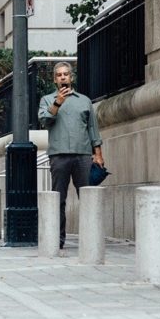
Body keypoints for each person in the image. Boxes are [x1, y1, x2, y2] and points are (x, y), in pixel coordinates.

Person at [38, 62, 104, 249]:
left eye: (66, 74)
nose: (63, 77)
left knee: (87, 197)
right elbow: (44, 120)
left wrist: (98, 154)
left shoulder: (84, 100)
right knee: (58, 198)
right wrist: (57, 102)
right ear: (54, 79)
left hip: (83, 155)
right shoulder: (47, 100)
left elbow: (93, 128)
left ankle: (91, 237)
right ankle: (58, 239)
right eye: (59, 75)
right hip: (58, 156)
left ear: (71, 77)